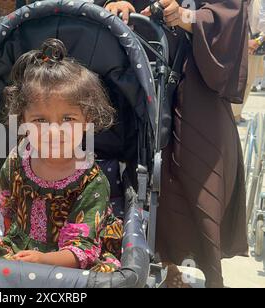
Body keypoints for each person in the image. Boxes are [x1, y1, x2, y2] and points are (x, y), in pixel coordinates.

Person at [104, 0, 248, 288]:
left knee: (199, 164)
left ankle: (205, 268)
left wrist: (186, 16)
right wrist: (113, 3)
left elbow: (227, 14)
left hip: (193, 73)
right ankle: (156, 264)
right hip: (129, 67)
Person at [0, 39, 123, 272]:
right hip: (18, 252)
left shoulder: (91, 181)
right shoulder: (17, 160)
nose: (54, 131)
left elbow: (83, 249)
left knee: (106, 276)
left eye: (68, 119)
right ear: (23, 122)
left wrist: (43, 261)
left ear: (87, 121)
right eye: (40, 120)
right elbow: (3, 209)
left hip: (69, 264)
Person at [232, 0, 265, 123]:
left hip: (254, 42)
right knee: (241, 81)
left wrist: (258, 41)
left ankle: (237, 113)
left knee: (248, 81)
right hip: (241, 42)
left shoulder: (258, 2)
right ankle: (234, 113)